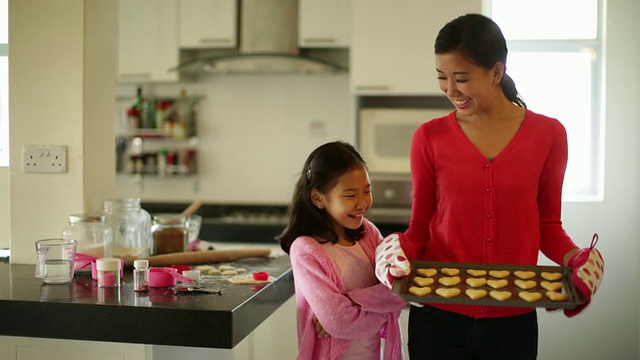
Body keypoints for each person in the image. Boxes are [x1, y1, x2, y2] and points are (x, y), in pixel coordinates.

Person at [374, 14, 604, 359]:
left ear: (496, 72)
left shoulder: (549, 135)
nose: (450, 90)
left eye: (461, 78)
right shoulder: (429, 137)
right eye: (442, 77)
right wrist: (394, 251)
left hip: (512, 326)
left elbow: (548, 228)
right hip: (438, 320)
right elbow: (420, 229)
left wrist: (578, 259)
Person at [277, 141, 408, 360]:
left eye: (367, 191)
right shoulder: (306, 250)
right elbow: (339, 322)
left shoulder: (368, 233)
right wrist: (381, 309)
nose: (362, 203)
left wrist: (354, 300)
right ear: (318, 198)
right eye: (350, 195)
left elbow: (400, 290)